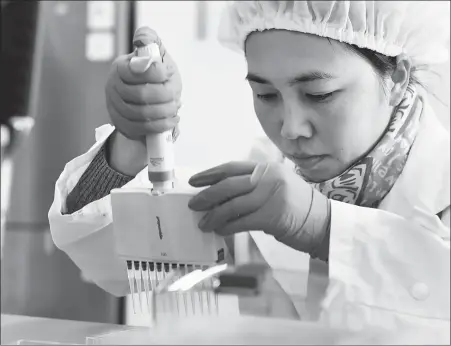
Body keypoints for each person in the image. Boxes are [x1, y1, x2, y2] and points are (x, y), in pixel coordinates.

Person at [49, 1, 450, 333]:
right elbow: (116, 264)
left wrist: (325, 229)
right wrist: (132, 144)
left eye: (319, 94)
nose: (291, 129)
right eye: (265, 94)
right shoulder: (267, 171)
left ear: (398, 77)